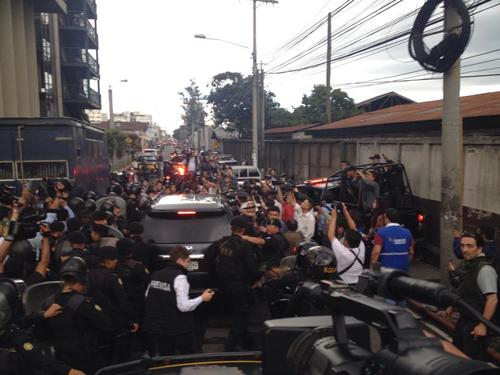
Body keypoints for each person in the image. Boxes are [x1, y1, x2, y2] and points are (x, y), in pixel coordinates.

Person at [39, 257, 111, 373]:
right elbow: (105, 325)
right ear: (82, 279)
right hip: (83, 359)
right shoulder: (83, 303)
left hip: (57, 360)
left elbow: (42, 332)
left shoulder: (49, 302)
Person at [143, 245, 214, 356]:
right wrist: (202, 298)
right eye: (188, 261)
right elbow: (183, 306)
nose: (188, 264)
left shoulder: (156, 274)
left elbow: (148, 295)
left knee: (165, 356)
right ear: (180, 260)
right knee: (186, 356)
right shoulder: (180, 278)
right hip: (175, 328)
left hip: (155, 327)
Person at [205, 217, 261, 351]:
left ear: (231, 228)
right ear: (243, 230)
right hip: (239, 286)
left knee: (240, 315)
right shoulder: (244, 245)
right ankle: (229, 348)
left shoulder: (221, 242)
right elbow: (252, 269)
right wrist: (254, 281)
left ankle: (249, 344)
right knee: (240, 316)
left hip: (224, 285)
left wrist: (215, 276)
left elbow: (208, 257)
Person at [446, 232, 498, 361]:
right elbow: (463, 289)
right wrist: (452, 307)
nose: (464, 249)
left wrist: (483, 325)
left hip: (476, 323)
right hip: (464, 320)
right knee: (458, 357)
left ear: (480, 248)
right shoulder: (467, 264)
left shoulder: (484, 269)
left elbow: (492, 300)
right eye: (462, 246)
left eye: (469, 246)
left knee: (473, 362)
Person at [87, 246, 139, 363]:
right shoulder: (111, 278)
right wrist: (133, 319)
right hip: (114, 321)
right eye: (115, 259)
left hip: (95, 319)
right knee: (120, 354)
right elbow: (122, 301)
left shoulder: (89, 274)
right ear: (108, 261)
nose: (116, 262)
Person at [327, 204, 365, 285]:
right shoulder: (361, 248)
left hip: (344, 283)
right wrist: (345, 211)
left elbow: (330, 235)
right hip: (357, 283)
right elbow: (354, 229)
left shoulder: (344, 253)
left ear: (346, 242)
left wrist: (334, 218)